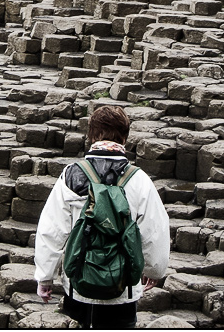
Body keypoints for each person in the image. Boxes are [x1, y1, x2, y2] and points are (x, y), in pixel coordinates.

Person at [34, 105, 170, 330]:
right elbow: (155, 230)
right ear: (125, 137)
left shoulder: (71, 175)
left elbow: (52, 229)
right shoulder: (139, 180)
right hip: (122, 289)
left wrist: (45, 277)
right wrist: (154, 270)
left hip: (79, 286)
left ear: (91, 136)